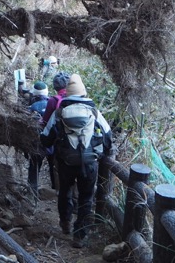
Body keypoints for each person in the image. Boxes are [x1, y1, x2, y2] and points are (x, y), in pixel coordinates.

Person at [40, 73, 112, 249]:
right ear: (83, 94)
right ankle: (79, 235)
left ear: (68, 95)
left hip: (65, 162)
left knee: (65, 192)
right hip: (89, 163)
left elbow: (45, 138)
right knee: (86, 198)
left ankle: (65, 223)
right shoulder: (94, 112)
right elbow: (108, 138)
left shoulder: (59, 113)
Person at [26, 81, 50, 194]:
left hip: (37, 143)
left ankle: (32, 193)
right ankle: (56, 191)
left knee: (34, 168)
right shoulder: (53, 103)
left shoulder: (31, 107)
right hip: (53, 143)